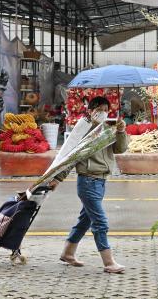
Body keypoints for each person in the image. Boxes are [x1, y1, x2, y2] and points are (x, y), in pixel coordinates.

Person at [50, 96, 129, 273]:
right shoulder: (83, 130)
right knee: (100, 222)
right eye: (99, 110)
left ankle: (67, 253)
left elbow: (120, 149)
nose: (103, 113)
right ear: (91, 111)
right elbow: (71, 156)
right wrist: (57, 178)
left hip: (101, 181)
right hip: (87, 181)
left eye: (106, 110)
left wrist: (121, 131)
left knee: (85, 220)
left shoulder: (109, 128)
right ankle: (109, 263)